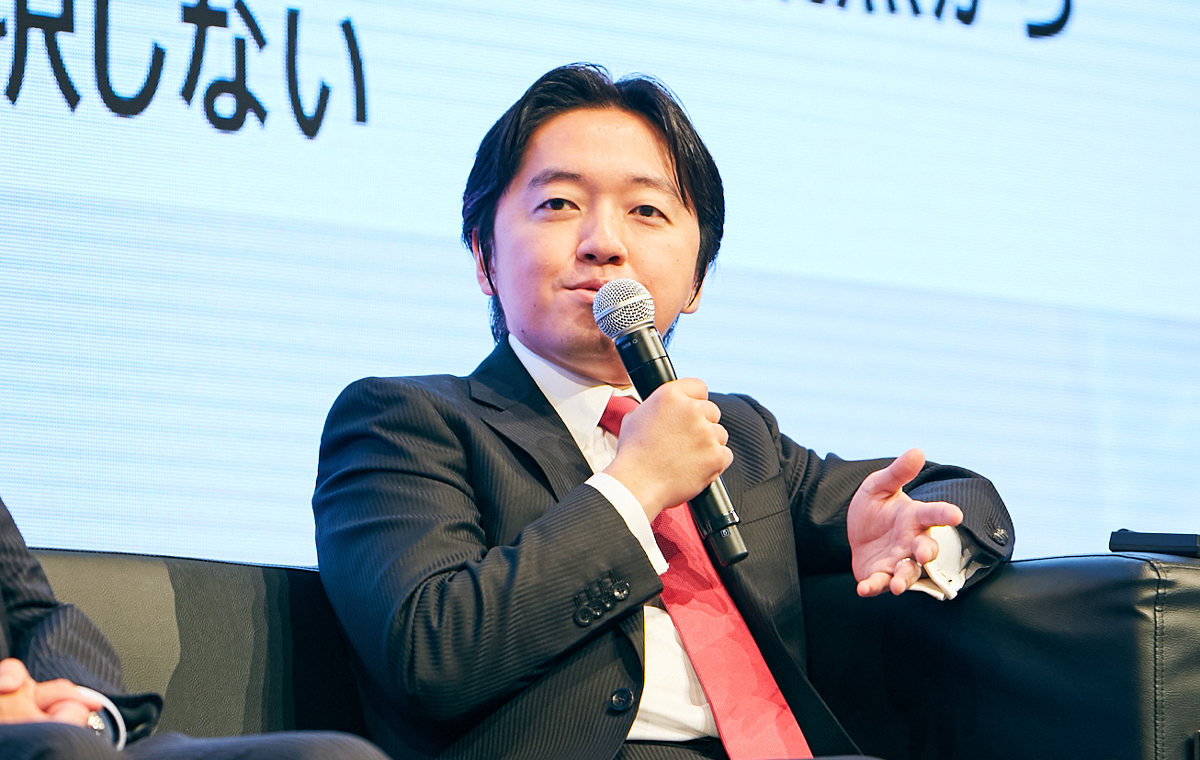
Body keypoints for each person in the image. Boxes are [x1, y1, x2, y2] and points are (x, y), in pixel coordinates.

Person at [313, 64, 1015, 760]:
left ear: (698, 280)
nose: (603, 242)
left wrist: (920, 539)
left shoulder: (740, 437)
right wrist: (636, 485)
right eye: (558, 203)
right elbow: (429, 652)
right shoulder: (401, 422)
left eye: (646, 211)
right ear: (483, 257)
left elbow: (965, 496)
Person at [0, 496, 389, 760]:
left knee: (339, 755)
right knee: (66, 747)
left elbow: (35, 612)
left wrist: (74, 702)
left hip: (71, 731)